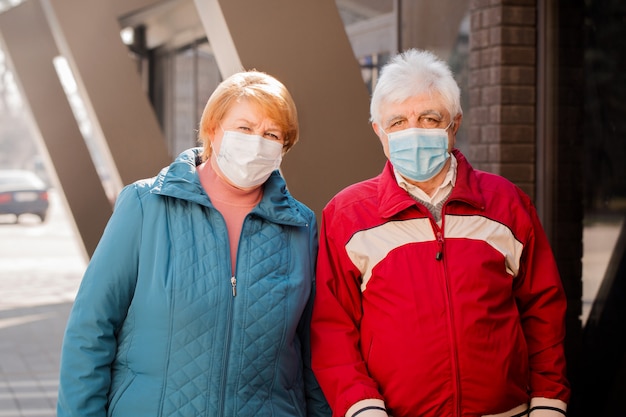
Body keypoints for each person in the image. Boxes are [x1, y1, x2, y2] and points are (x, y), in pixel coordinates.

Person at [310, 49, 570, 417]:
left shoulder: (506, 203)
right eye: (398, 122)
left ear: (455, 124)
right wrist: (360, 407)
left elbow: (543, 310)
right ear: (378, 131)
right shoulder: (348, 214)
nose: (413, 131)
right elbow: (332, 327)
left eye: (430, 118)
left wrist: (548, 402)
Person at [57, 70, 330, 417]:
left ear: (283, 147)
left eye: (271, 133)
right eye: (244, 128)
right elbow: (90, 329)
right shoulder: (145, 205)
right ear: (213, 131)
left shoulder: (300, 226)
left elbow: (314, 354)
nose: (256, 142)